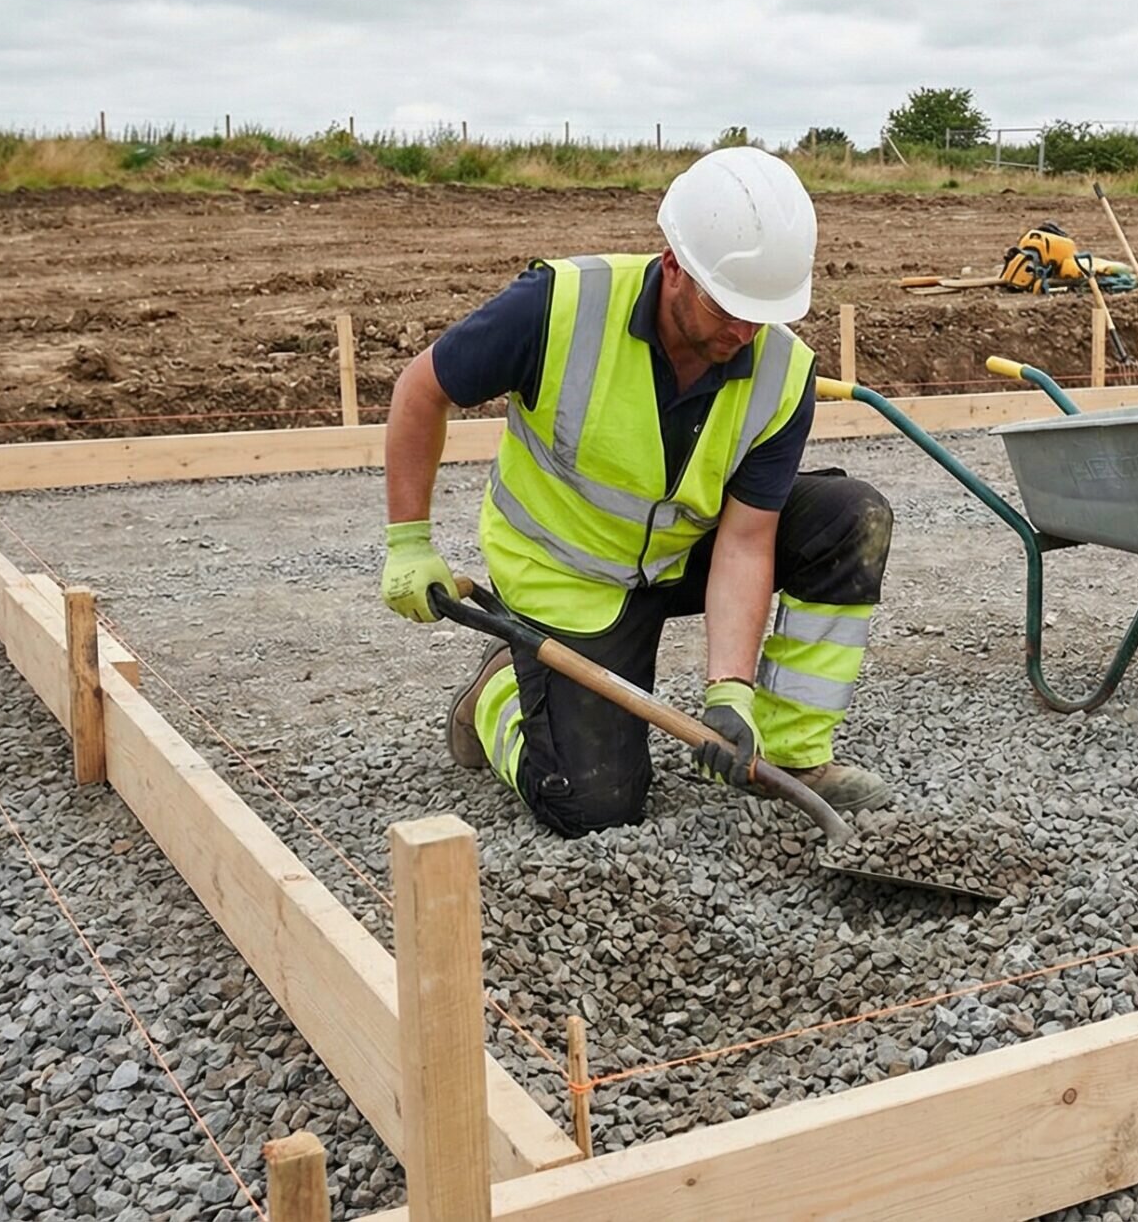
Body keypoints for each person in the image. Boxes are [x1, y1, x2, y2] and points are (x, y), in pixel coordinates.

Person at [375, 147, 895, 837]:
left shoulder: (779, 371)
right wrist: (409, 541)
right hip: (572, 573)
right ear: (674, 264)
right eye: (728, 308)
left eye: (760, 316)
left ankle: (791, 758)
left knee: (849, 517)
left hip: (682, 555)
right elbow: (422, 388)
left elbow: (744, 539)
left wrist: (729, 689)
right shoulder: (559, 306)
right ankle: (498, 690)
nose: (744, 333)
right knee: (592, 807)